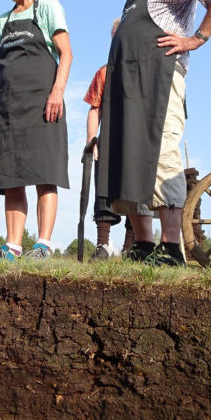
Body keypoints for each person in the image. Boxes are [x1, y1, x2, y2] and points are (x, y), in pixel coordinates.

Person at [96, 0, 211, 266]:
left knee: (161, 153)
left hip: (158, 81)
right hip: (128, 85)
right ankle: (144, 245)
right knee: (128, 158)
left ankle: (171, 248)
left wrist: (197, 39)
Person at [0, 0, 72, 261]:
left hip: (43, 105)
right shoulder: (1, 22)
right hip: (8, 108)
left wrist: (57, 91)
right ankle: (12, 247)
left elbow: (66, 53)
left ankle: (43, 245)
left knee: (44, 173)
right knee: (12, 177)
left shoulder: (48, 7)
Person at [83, 18, 139, 261]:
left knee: (135, 192)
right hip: (108, 141)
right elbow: (94, 108)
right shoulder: (104, 72)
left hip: (136, 140)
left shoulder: (142, 72)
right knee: (104, 191)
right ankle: (103, 246)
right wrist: (91, 139)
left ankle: (130, 248)